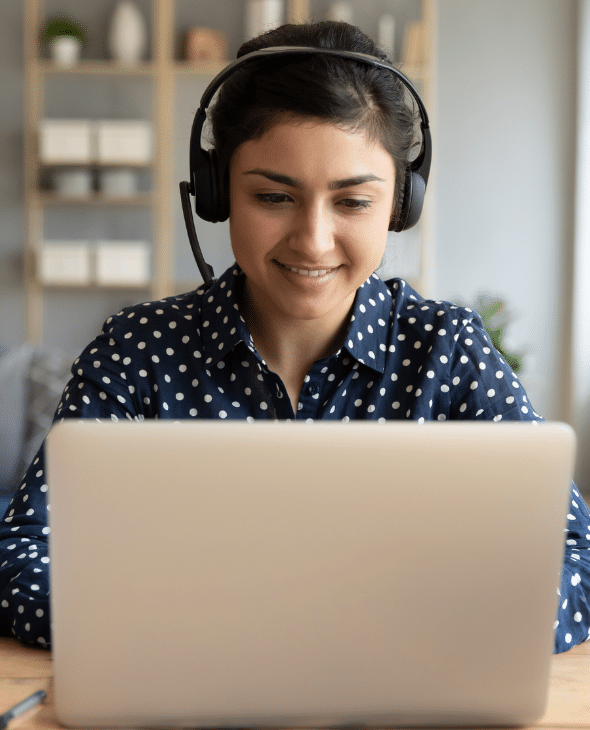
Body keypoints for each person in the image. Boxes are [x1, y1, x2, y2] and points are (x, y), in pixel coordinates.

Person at [1, 20, 589, 653]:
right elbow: (24, 553)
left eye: (353, 202)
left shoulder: (447, 351)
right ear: (218, 191)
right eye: (273, 197)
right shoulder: (136, 351)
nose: (312, 239)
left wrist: (414, 638)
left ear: (401, 204)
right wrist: (197, 637)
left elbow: (571, 553)